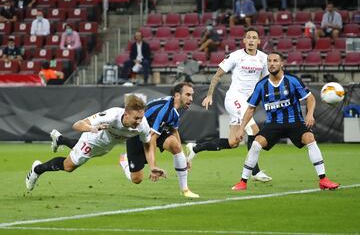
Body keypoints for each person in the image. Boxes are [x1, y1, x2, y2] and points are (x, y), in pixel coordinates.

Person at [231, 52, 340, 191]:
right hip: (273, 124)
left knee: (310, 138)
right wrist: (241, 128)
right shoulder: (261, 85)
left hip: (295, 122)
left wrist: (310, 114)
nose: (272, 63)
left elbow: (310, 98)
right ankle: (243, 182)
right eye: (269, 61)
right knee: (256, 144)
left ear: (281, 63)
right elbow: (251, 108)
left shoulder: (292, 80)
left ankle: (323, 180)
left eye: (275, 61)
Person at [25, 95, 166, 191]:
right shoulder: (112, 116)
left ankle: (59, 139)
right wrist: (91, 128)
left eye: (141, 117)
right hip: (91, 140)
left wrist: (153, 166)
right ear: (126, 113)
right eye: (136, 118)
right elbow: (77, 124)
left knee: (77, 150)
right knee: (68, 167)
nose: (139, 121)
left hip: (105, 147)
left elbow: (148, 144)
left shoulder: (143, 125)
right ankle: (37, 169)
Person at [186, 27, 272, 183]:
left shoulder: (264, 58)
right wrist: (210, 95)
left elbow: (268, 81)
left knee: (233, 142)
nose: (251, 40)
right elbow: (217, 75)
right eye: (248, 37)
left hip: (248, 102)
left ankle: (196, 148)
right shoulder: (235, 56)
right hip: (234, 98)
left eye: (254, 37)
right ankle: (255, 171)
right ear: (244, 40)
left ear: (259, 41)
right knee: (254, 130)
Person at [120, 83, 199, 198]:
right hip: (137, 134)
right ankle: (124, 160)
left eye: (192, 95)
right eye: (188, 95)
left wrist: (183, 156)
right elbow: (151, 138)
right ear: (177, 95)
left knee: (174, 145)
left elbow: (174, 130)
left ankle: (185, 190)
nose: (191, 99)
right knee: (137, 179)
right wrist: (153, 167)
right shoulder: (165, 109)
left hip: (154, 132)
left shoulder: (177, 108)